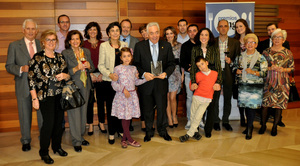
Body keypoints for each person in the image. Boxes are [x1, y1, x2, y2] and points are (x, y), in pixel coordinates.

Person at [28, 30, 70, 164]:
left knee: (59, 124)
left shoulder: (60, 57)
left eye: (53, 40)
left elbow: (67, 75)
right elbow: (31, 79)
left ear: (56, 42)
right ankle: (44, 152)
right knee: (49, 124)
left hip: (59, 95)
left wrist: (65, 76)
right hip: (45, 96)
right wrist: (34, 98)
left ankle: (57, 147)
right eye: (48, 40)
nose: (51, 42)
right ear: (43, 42)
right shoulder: (37, 58)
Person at [134, 22, 175, 142]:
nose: (154, 35)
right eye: (151, 33)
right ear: (147, 33)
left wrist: (166, 73)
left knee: (162, 108)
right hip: (146, 83)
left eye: (156, 32)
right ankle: (149, 131)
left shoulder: (166, 45)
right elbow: (136, 64)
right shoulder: (140, 46)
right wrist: (144, 74)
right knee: (147, 109)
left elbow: (172, 63)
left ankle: (163, 130)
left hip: (161, 83)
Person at [5, 19, 42, 152]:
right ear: (23, 30)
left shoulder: (41, 44)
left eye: (33, 29)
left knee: (42, 115)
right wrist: (21, 69)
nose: (31, 31)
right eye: (28, 29)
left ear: (37, 31)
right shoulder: (14, 45)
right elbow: (9, 66)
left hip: (40, 87)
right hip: (23, 86)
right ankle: (26, 140)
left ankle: (43, 137)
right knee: (24, 115)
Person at [62, 30, 95, 152]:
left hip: (86, 85)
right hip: (73, 87)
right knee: (74, 114)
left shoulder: (85, 51)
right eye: (73, 39)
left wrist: (89, 66)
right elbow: (65, 72)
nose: (75, 41)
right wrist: (76, 68)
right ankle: (76, 141)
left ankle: (80, 137)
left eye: (77, 39)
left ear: (81, 40)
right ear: (69, 41)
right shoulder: (65, 53)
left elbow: (92, 67)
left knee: (83, 112)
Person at [260, 29, 294, 136]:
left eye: (279, 37)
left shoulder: (288, 53)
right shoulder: (266, 52)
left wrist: (283, 69)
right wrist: (269, 68)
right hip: (268, 82)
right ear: (272, 39)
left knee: (279, 105)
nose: (277, 39)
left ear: (283, 40)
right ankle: (263, 125)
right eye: (275, 37)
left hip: (283, 83)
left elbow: (292, 68)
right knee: (265, 104)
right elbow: (261, 67)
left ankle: (274, 127)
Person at [233, 33, 267, 140]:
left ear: (256, 45)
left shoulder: (261, 58)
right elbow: (234, 68)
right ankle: (249, 125)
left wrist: (253, 72)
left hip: (255, 88)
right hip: (243, 86)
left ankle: (250, 128)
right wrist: (236, 71)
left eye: (253, 42)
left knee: (251, 108)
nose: (250, 44)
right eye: (248, 42)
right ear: (245, 44)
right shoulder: (240, 57)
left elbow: (264, 73)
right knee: (246, 108)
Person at [98, 22, 127, 144]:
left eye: (117, 30)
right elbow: (100, 65)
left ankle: (120, 130)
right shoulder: (104, 46)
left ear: (120, 32)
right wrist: (110, 74)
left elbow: (128, 61)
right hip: (109, 82)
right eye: (112, 31)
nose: (115, 33)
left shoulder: (125, 45)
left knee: (121, 108)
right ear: (108, 33)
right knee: (111, 108)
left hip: (122, 83)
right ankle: (111, 132)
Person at [111, 47, 147, 148]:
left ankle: (123, 139)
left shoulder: (133, 68)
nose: (127, 58)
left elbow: (136, 82)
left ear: (131, 57)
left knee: (128, 118)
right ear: (121, 58)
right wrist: (123, 89)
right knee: (125, 118)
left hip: (132, 96)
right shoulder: (117, 69)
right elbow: (114, 84)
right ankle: (130, 139)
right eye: (124, 56)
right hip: (122, 96)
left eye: (128, 56)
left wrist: (146, 79)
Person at [190, 28, 222, 138]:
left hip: (213, 82)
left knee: (212, 107)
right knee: (198, 108)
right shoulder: (194, 49)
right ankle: (195, 129)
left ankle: (208, 129)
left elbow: (218, 65)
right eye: (202, 35)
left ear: (209, 37)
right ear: (199, 37)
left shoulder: (214, 49)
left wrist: (218, 82)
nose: (204, 37)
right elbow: (194, 67)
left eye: (206, 35)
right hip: (200, 82)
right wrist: (193, 82)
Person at [179, 57, 218, 142]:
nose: (201, 67)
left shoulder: (215, 74)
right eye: (199, 66)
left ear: (207, 62)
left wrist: (217, 87)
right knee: (193, 116)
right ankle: (195, 133)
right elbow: (191, 85)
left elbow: (218, 83)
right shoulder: (198, 74)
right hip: (197, 97)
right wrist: (192, 86)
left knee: (198, 116)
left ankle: (188, 134)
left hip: (207, 99)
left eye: (202, 64)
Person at [213, 19, 240, 131]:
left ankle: (225, 121)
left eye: (225, 26)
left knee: (227, 98)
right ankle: (215, 120)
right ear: (218, 28)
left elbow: (238, 60)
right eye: (221, 26)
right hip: (215, 73)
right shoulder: (212, 41)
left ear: (228, 28)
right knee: (215, 98)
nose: (223, 28)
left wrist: (231, 61)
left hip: (229, 73)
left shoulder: (235, 42)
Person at [83, 22, 106, 136]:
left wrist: (102, 74)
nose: (92, 31)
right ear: (87, 31)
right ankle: (90, 124)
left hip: (102, 76)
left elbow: (107, 61)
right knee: (89, 101)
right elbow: (81, 61)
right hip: (88, 76)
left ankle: (101, 122)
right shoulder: (83, 44)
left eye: (95, 29)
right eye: (90, 29)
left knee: (101, 100)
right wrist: (90, 74)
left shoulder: (104, 44)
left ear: (98, 31)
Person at [163, 26, 184, 128]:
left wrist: (183, 75)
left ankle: (174, 116)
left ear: (174, 34)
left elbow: (182, 62)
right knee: (166, 98)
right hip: (165, 74)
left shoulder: (180, 46)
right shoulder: (162, 46)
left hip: (176, 74)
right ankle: (169, 118)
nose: (169, 35)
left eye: (171, 33)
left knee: (173, 97)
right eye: (167, 34)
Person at [233, 18, 252, 126]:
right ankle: (242, 118)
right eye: (236, 27)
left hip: (250, 73)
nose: (239, 28)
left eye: (240, 26)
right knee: (240, 97)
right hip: (239, 73)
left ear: (245, 26)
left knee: (249, 96)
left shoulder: (252, 38)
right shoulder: (234, 40)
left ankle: (249, 119)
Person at [179, 24, 199, 129]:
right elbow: (182, 61)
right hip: (189, 75)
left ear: (198, 32)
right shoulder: (185, 45)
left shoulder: (202, 44)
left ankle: (200, 121)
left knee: (201, 98)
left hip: (202, 76)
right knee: (190, 98)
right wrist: (189, 67)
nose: (192, 33)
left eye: (194, 31)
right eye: (190, 31)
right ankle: (190, 120)